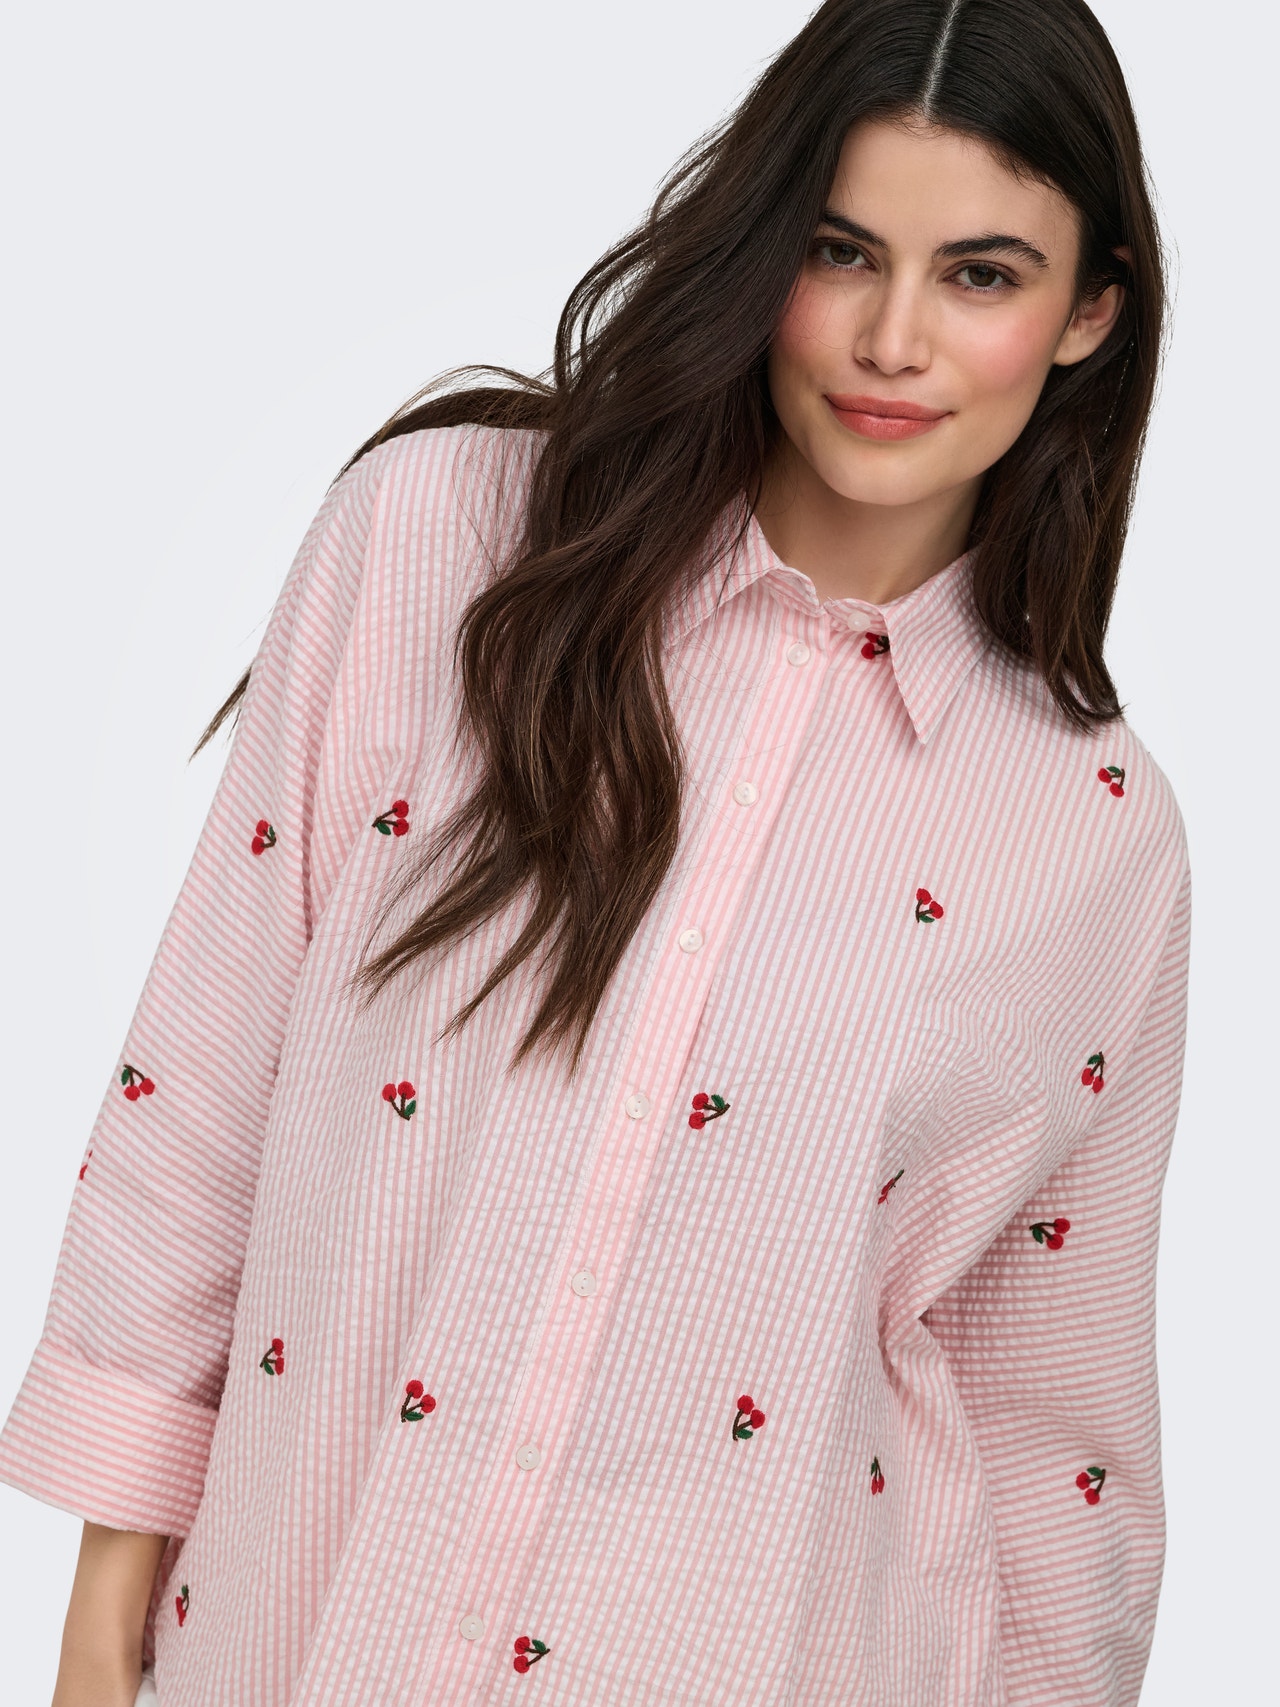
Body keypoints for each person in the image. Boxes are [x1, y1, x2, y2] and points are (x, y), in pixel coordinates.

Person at [1, 1, 1193, 1703]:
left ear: (1088, 314)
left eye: (981, 276)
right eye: (842, 252)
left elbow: (1051, 1423)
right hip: (294, 1629)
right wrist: (106, 1585)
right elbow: (201, 1090)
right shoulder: (440, 547)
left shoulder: (1096, 836)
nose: (893, 339)